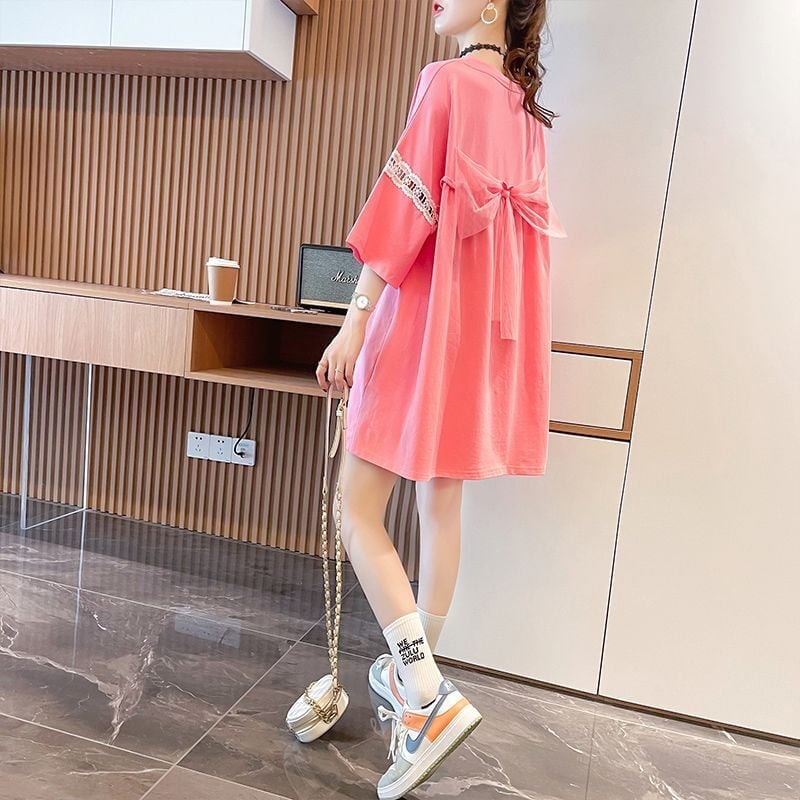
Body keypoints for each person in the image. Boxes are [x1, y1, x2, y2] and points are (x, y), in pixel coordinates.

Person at [315, 1, 566, 797]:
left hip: (421, 332)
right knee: (441, 506)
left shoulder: (448, 82)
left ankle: (423, 694)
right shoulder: (526, 112)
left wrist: (354, 323)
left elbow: (406, 208)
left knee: (357, 510)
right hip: (476, 348)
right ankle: (410, 675)